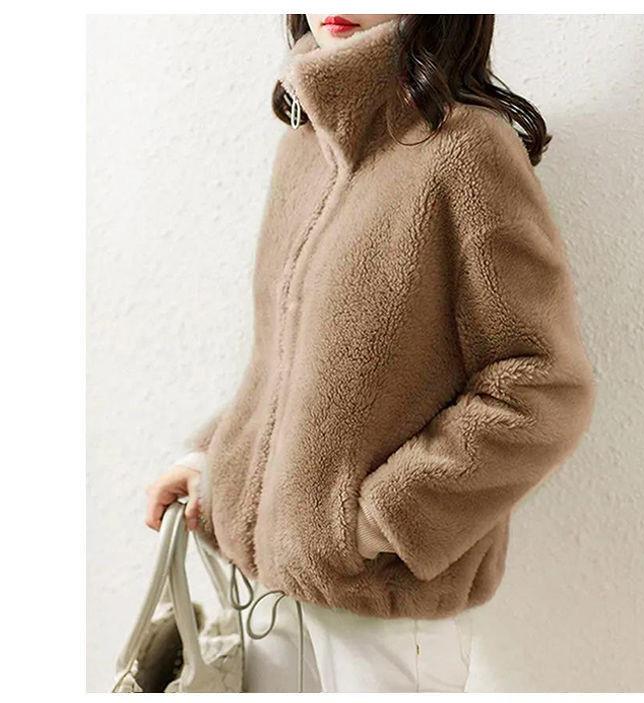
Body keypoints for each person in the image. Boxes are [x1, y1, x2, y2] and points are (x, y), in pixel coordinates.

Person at [145, 14, 596, 693]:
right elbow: (286, 364)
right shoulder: (303, 149)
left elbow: (543, 386)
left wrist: (379, 519)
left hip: (381, 616)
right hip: (266, 602)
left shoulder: (467, 152)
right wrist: (214, 463)